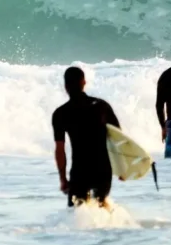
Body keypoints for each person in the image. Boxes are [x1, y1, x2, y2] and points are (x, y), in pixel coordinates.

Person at [52, 66, 122, 208]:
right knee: (100, 207)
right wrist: (121, 168)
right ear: (84, 82)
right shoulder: (102, 106)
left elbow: (60, 150)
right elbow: (118, 138)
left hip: (79, 172)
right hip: (103, 170)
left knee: (77, 213)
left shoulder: (61, 113)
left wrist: (63, 179)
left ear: (66, 86)